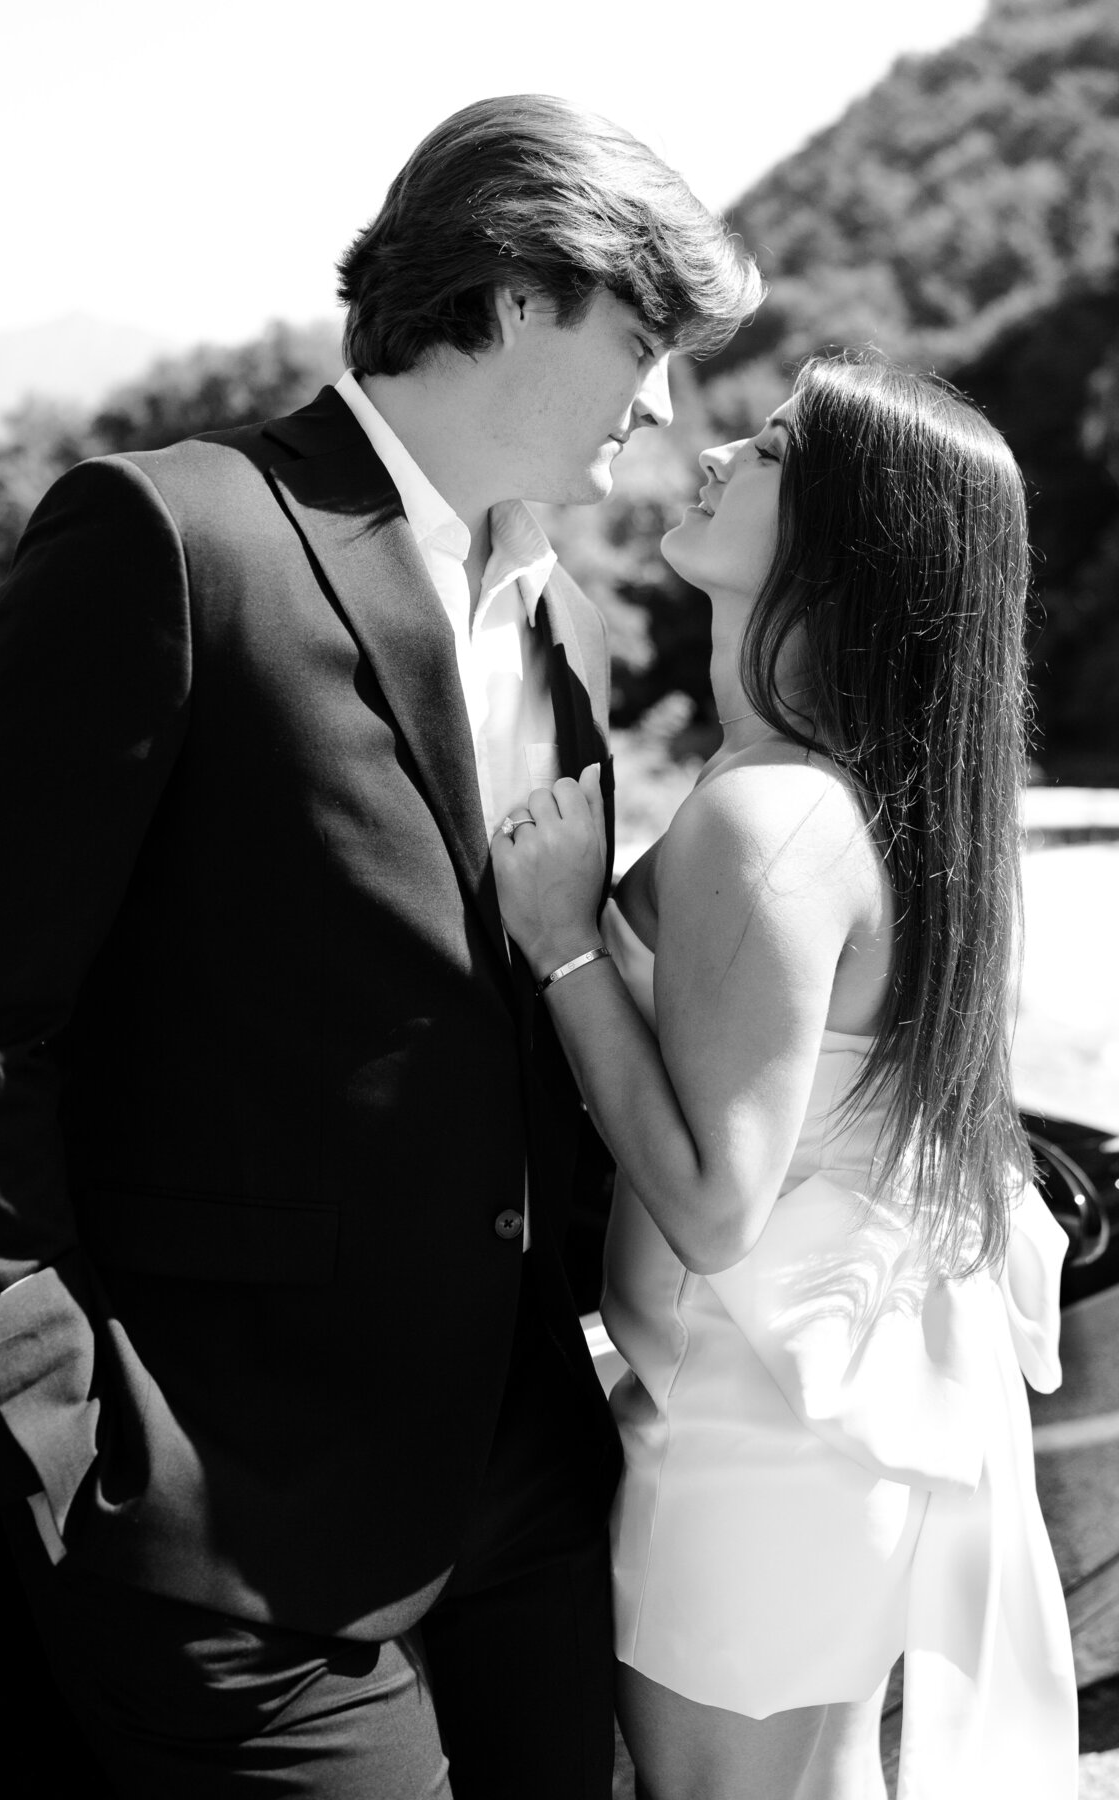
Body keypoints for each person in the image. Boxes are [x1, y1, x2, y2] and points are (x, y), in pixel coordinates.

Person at [0, 95, 762, 1798]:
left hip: (521, 1489)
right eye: (643, 335)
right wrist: (51, 1424)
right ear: (520, 292)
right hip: (216, 1519)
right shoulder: (171, 537)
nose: (662, 401)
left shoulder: (562, 624)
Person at [493, 353, 1079, 1800]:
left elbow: (713, 1201)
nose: (715, 453)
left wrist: (564, 949)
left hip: (763, 1450)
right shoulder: (864, 803)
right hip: (803, 1436)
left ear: (851, 534)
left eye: (768, 450)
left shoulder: (773, 819)